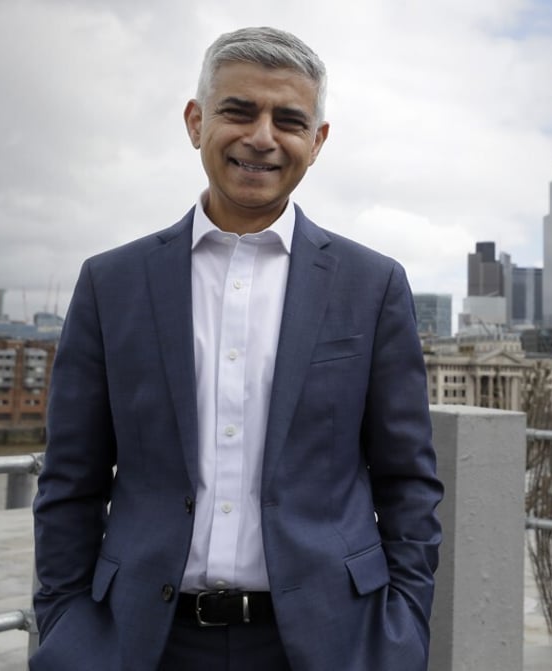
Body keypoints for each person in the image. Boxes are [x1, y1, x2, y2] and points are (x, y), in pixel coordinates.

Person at [31, 26, 443, 671]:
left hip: (331, 641)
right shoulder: (111, 283)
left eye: (289, 119)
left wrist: (403, 630)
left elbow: (408, 481)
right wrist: (65, 624)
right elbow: (70, 482)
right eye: (239, 110)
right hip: (140, 642)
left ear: (318, 141)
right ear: (196, 122)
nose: (262, 137)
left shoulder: (373, 285)